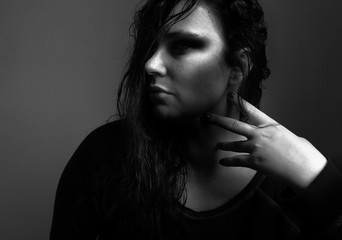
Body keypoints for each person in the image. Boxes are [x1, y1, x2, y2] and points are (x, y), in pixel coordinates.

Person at [50, 0, 342, 239]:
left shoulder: (293, 185)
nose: (151, 64)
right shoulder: (104, 158)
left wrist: (318, 179)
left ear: (238, 68)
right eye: (152, 48)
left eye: (183, 46)